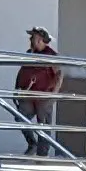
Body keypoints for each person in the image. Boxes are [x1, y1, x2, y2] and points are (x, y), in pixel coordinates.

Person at [14, 27, 66, 156]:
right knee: (20, 117)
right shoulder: (29, 53)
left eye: (34, 37)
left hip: (44, 95)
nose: (31, 40)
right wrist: (17, 89)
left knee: (43, 125)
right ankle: (32, 143)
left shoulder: (52, 56)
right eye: (32, 38)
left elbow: (59, 75)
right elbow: (22, 72)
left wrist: (53, 95)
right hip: (28, 94)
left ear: (42, 40)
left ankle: (42, 154)